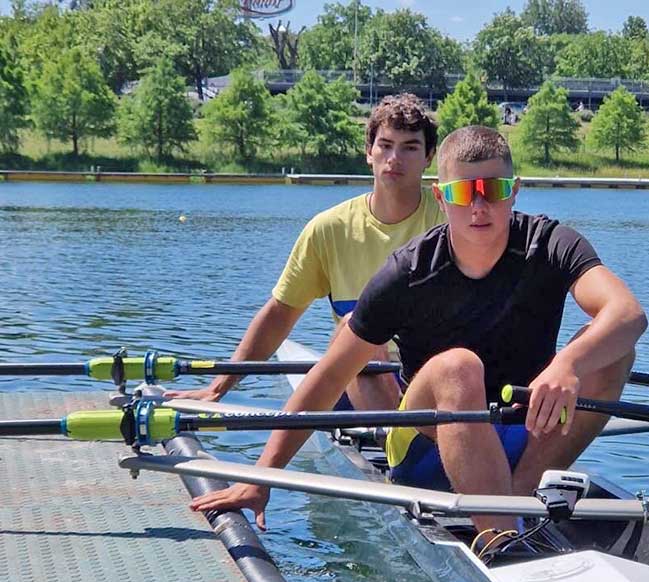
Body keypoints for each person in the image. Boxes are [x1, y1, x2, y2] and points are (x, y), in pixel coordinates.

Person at [190, 125, 647, 540]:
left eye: (494, 189)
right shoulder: (407, 272)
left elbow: (628, 313)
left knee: (612, 349)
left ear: (515, 191)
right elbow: (329, 377)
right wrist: (261, 478)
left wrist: (569, 364)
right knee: (458, 366)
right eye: (464, 192)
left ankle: (517, 497)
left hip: (523, 434)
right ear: (441, 198)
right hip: (425, 449)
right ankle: (502, 538)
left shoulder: (550, 243)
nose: (480, 206)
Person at [167, 93, 443, 418]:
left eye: (410, 148)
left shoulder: (449, 220)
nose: (395, 158)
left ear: (429, 156)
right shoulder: (328, 229)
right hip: (359, 373)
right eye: (385, 145)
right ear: (369, 152)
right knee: (357, 330)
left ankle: (405, 436)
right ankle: (397, 440)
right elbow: (279, 315)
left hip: (430, 379)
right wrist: (217, 388)